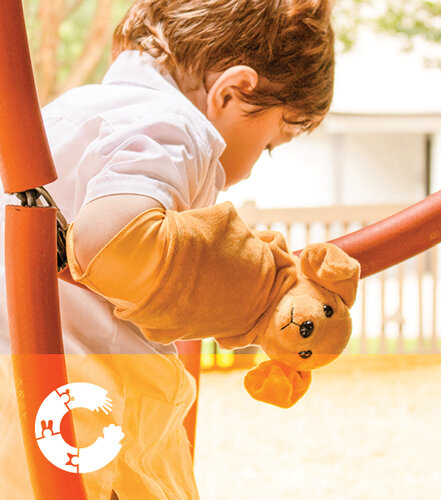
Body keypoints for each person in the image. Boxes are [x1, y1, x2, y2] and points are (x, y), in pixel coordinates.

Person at [0, 0, 334, 498]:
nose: (249, 169)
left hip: (25, 405)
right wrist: (258, 297)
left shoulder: (70, 110)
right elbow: (112, 240)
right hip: (90, 425)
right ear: (233, 91)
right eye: (269, 143)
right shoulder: (175, 129)